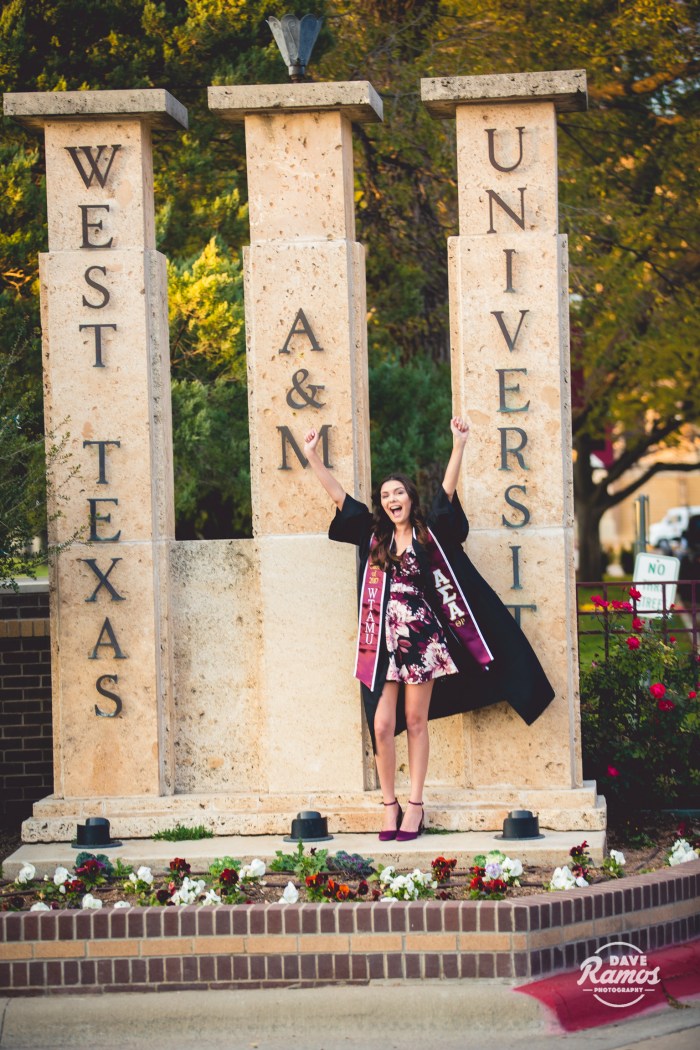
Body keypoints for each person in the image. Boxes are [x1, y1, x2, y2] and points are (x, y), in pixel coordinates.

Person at [303, 417, 555, 841]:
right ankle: (390, 804)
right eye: (385, 495)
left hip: (422, 644)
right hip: (383, 646)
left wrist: (458, 445)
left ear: (409, 497)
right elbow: (339, 499)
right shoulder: (373, 536)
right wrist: (312, 456)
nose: (391, 499)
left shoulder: (427, 533)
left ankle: (415, 807)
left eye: (398, 492)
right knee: (382, 725)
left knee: (415, 721)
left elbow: (447, 494)